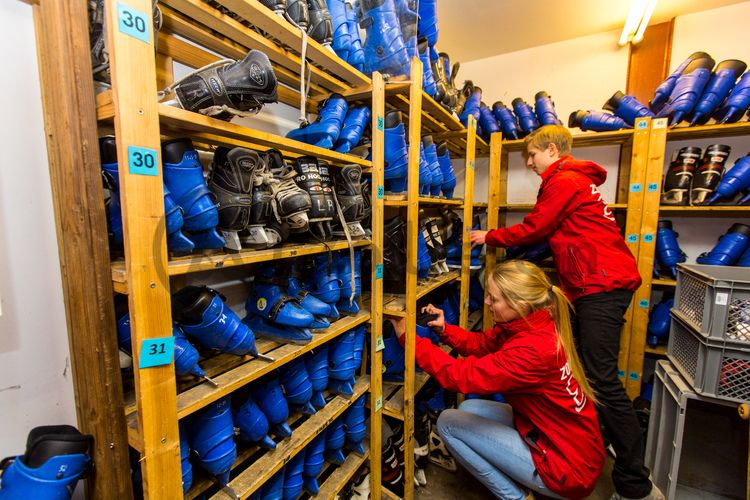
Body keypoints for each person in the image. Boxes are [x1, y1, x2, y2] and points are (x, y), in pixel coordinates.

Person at [470, 125, 661, 500]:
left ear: (552, 150)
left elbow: (537, 227)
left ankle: (635, 485)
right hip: (594, 282)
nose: (529, 162)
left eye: (533, 155)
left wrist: (489, 237)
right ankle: (591, 445)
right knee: (582, 371)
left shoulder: (566, 180)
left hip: (600, 284)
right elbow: (554, 232)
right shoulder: (574, 180)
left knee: (601, 379)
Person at [389, 260, 605, 499]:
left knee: (449, 422)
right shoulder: (531, 322)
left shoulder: (533, 350)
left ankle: (515, 497)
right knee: (470, 406)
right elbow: (482, 344)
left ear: (519, 304)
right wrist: (445, 330)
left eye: (494, 298)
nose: (487, 302)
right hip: (562, 438)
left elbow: (460, 375)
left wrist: (408, 339)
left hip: (568, 468)